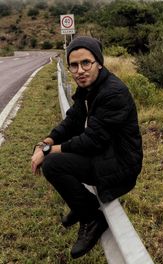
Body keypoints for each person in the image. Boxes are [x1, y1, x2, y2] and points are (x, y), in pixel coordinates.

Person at [31, 36, 143, 259]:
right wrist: (47, 141)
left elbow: (93, 141)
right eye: (74, 65)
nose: (80, 70)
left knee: (53, 163)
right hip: (105, 155)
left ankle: (92, 218)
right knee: (55, 155)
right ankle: (83, 205)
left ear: (99, 63)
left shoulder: (113, 92)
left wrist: (47, 152)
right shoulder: (89, 86)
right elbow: (73, 120)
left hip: (121, 166)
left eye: (86, 63)